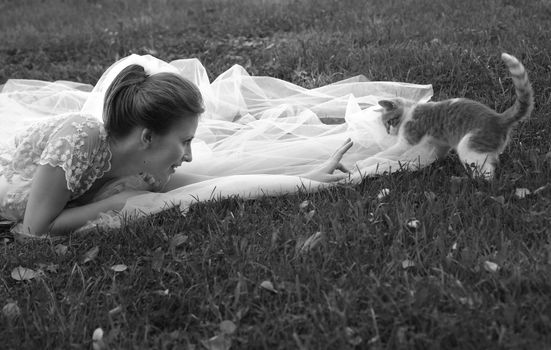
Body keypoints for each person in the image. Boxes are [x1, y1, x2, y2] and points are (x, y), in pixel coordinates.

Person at [0, 54, 434, 236]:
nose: (189, 154)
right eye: (184, 142)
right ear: (147, 136)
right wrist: (119, 203)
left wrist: (308, 179)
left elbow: (214, 184)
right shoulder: (82, 139)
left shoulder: (144, 159)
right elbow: (36, 227)